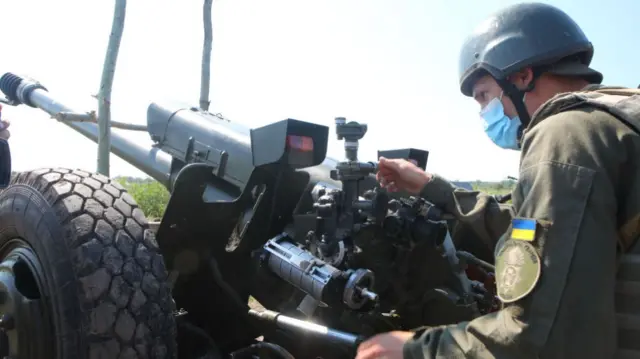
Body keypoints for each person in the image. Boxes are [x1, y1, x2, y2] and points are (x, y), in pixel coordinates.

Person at [356, 2, 640, 359]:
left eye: (484, 96)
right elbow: (537, 228)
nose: (483, 113)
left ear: (521, 76)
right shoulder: (618, 122)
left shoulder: (565, 134)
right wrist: (431, 186)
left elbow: (544, 335)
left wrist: (416, 349)